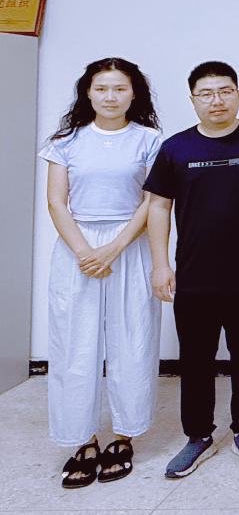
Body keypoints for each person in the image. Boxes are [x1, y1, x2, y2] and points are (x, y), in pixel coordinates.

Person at [145, 61, 239, 479]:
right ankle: (198, 436)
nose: (216, 100)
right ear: (193, 100)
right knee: (195, 360)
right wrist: (160, 264)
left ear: (238, 94)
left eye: (225, 91)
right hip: (193, 275)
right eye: (206, 94)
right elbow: (158, 207)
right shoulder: (176, 148)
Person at [40, 58, 162, 488]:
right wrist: (85, 252)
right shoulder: (65, 142)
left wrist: (114, 247)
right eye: (102, 88)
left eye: (120, 88)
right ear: (88, 93)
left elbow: (153, 201)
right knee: (74, 345)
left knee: (133, 340)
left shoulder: (149, 140)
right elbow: (57, 202)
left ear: (134, 94)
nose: (111, 97)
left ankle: (124, 436)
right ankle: (83, 440)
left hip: (130, 245)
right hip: (78, 249)